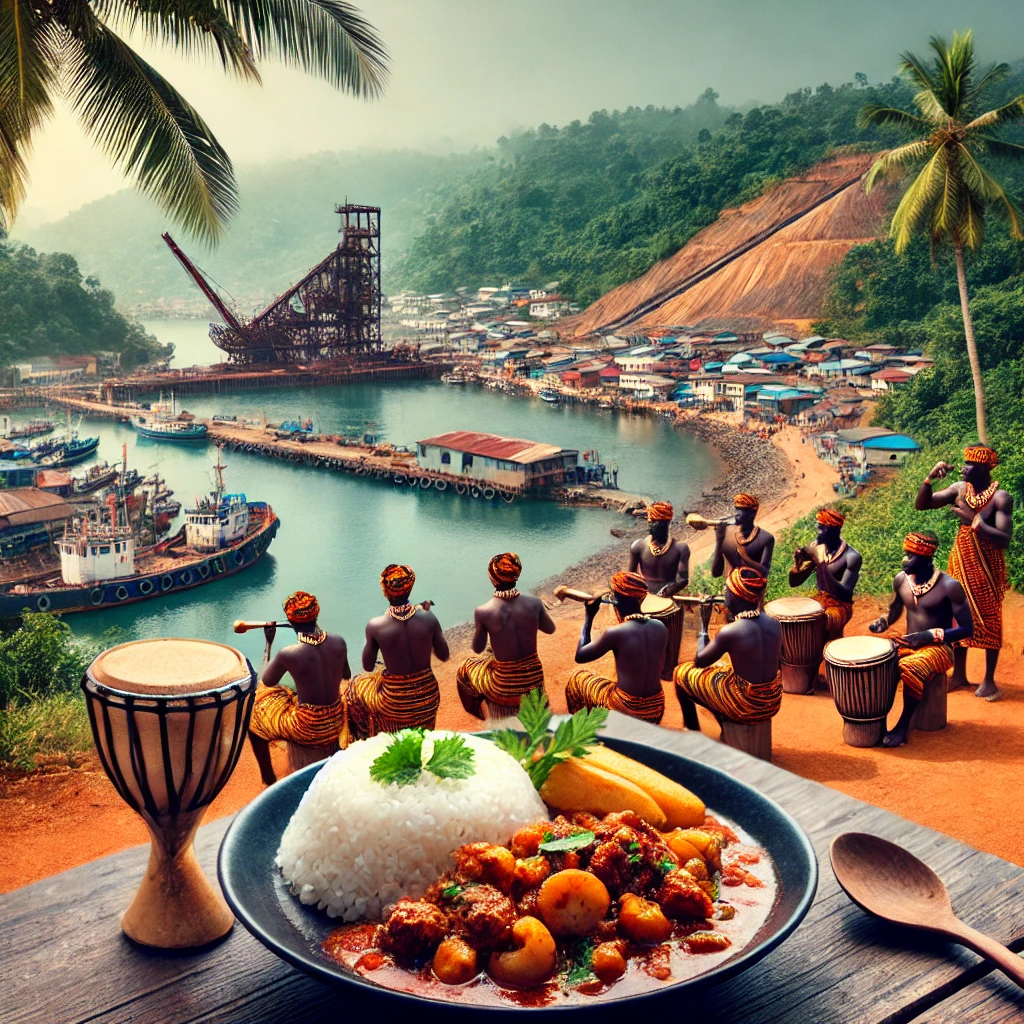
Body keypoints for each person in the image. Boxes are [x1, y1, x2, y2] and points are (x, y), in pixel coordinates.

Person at [915, 445, 1013, 699]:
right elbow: (922, 505)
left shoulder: (1000, 498)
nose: (963, 467)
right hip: (960, 560)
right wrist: (929, 478)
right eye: (964, 462)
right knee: (957, 614)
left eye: (970, 464)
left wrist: (975, 521)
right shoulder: (959, 489)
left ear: (983, 470)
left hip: (988, 565)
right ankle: (959, 675)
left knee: (989, 615)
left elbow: (1004, 538)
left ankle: (989, 680)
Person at [869, 532, 974, 747]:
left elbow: (967, 628)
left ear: (927, 558)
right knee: (876, 662)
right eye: (906, 554)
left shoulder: (949, 586)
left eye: (911, 555)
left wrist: (930, 635)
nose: (905, 560)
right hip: (909, 642)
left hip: (938, 649)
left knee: (911, 667)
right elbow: (894, 610)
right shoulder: (901, 580)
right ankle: (874, 723)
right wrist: (884, 622)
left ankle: (903, 726)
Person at [248, 591, 350, 786]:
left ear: (290, 622)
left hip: (306, 725)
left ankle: (268, 777)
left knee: (255, 718)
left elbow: (267, 681)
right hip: (336, 717)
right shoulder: (339, 642)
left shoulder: (289, 653)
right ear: (316, 615)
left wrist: (268, 644)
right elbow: (346, 674)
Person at [346, 564, 449, 739]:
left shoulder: (376, 625)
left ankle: (365, 737)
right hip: (428, 695)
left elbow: (368, 666)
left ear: (385, 591)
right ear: (411, 586)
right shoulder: (428, 617)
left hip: (394, 701)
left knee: (354, 688)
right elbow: (444, 655)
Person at [674, 568, 783, 729]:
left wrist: (703, 632)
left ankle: (692, 729)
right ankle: (720, 713)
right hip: (772, 702)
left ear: (736, 595)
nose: (724, 594)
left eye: (727, 590)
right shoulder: (774, 624)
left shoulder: (731, 631)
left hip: (746, 705)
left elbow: (700, 661)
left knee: (681, 674)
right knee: (723, 671)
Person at [456, 552, 556, 718]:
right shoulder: (534, 603)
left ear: (492, 579)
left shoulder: (484, 611)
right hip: (535, 681)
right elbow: (549, 629)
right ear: (517, 575)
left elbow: (478, 648)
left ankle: (479, 713)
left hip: (504, 686)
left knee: (465, 668)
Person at [565, 571, 668, 724]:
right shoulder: (660, 627)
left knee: (578, 679)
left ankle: (584, 730)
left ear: (618, 600)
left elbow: (580, 656)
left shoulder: (616, 633)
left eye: (614, 595)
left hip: (626, 707)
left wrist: (589, 616)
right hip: (656, 708)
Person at [789, 508, 862, 640]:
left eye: (823, 529)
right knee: (794, 617)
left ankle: (828, 652)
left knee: (822, 621)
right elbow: (794, 582)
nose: (818, 532)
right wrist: (798, 564)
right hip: (819, 599)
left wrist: (820, 562)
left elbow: (845, 593)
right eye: (818, 528)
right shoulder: (818, 548)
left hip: (840, 606)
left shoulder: (852, 556)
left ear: (836, 531)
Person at [628, 501, 690, 596]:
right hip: (646, 595)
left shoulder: (680, 549)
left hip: (666, 596)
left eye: (659, 523)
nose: (656, 526)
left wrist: (667, 592)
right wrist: (642, 590)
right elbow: (631, 575)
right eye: (654, 523)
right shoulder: (638, 546)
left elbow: (683, 579)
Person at [711, 493, 775, 580]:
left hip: (754, 591)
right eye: (736, 509)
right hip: (731, 590)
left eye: (741, 510)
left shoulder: (766, 538)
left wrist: (744, 557)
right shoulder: (727, 534)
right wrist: (719, 540)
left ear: (752, 514)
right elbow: (716, 573)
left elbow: (764, 572)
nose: (736, 514)